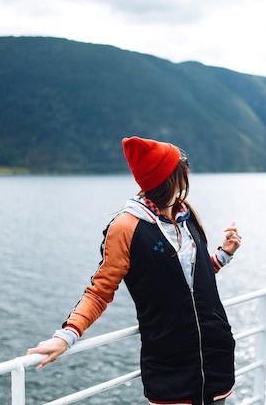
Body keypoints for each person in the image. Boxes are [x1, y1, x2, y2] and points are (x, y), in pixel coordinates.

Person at [27, 136, 242, 405]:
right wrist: (67, 335)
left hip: (216, 361)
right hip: (171, 371)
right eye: (181, 168)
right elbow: (99, 292)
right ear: (168, 177)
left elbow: (192, 279)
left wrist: (225, 254)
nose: (187, 174)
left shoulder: (186, 215)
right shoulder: (126, 228)